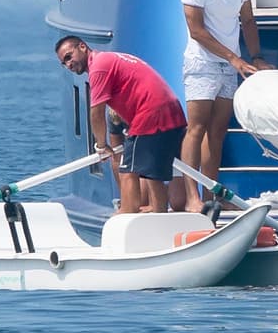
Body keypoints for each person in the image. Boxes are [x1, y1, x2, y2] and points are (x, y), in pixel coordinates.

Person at [173, 0, 273, 212]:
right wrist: (233, 58)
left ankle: (211, 195)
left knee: (217, 131)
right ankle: (192, 197)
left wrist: (256, 56)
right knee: (196, 128)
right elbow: (197, 32)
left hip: (229, 64)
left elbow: (248, 20)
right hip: (201, 64)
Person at [54, 36, 186, 214]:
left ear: (83, 47)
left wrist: (101, 146)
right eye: (64, 62)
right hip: (170, 110)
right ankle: (159, 212)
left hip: (151, 113)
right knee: (152, 173)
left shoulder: (98, 67)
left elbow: (96, 112)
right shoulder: (111, 58)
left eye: (69, 57)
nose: (68, 64)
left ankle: (127, 213)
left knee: (128, 171)